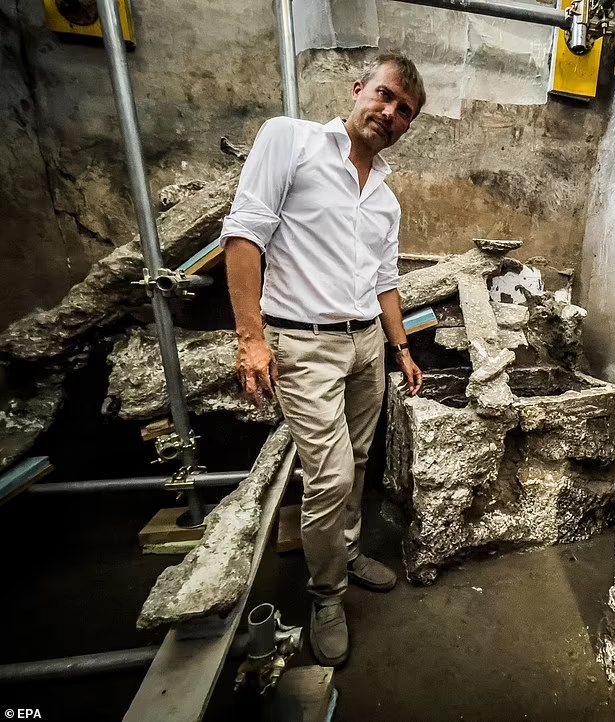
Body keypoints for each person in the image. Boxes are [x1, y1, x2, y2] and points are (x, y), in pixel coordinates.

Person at [218, 53, 426, 667]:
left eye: (405, 112)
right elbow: (245, 234)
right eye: (385, 96)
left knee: (359, 459)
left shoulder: (386, 198)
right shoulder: (290, 139)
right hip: (302, 343)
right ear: (358, 89)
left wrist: (402, 348)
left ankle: (350, 549)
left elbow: (386, 279)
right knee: (330, 475)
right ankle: (327, 593)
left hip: (366, 345)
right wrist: (251, 338)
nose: (390, 113)